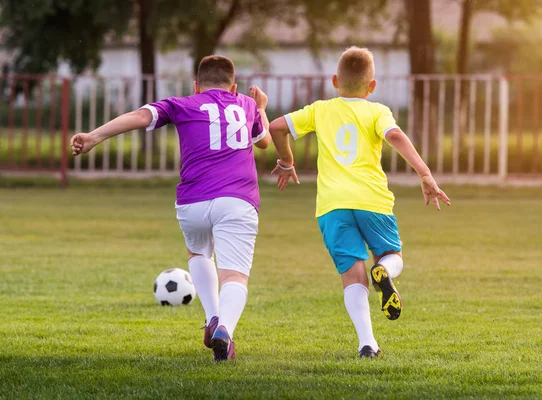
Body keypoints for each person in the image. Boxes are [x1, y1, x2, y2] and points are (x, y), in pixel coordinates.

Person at [70, 55, 271, 362]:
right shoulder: (245, 104)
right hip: (237, 199)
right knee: (234, 277)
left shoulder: (182, 103)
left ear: (196, 85)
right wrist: (262, 110)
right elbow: (265, 142)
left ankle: (212, 317)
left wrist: (94, 137)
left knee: (199, 253)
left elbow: (139, 116)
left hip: (192, 201)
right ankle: (225, 330)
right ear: (234, 86)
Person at [268, 47, 451, 358]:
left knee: (352, 274)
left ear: (335, 80)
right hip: (372, 200)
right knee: (393, 256)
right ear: (372, 85)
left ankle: (368, 344)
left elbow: (275, 126)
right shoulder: (377, 111)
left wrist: (287, 160)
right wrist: (425, 173)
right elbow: (395, 136)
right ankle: (383, 271)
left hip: (332, 205)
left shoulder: (320, 110)